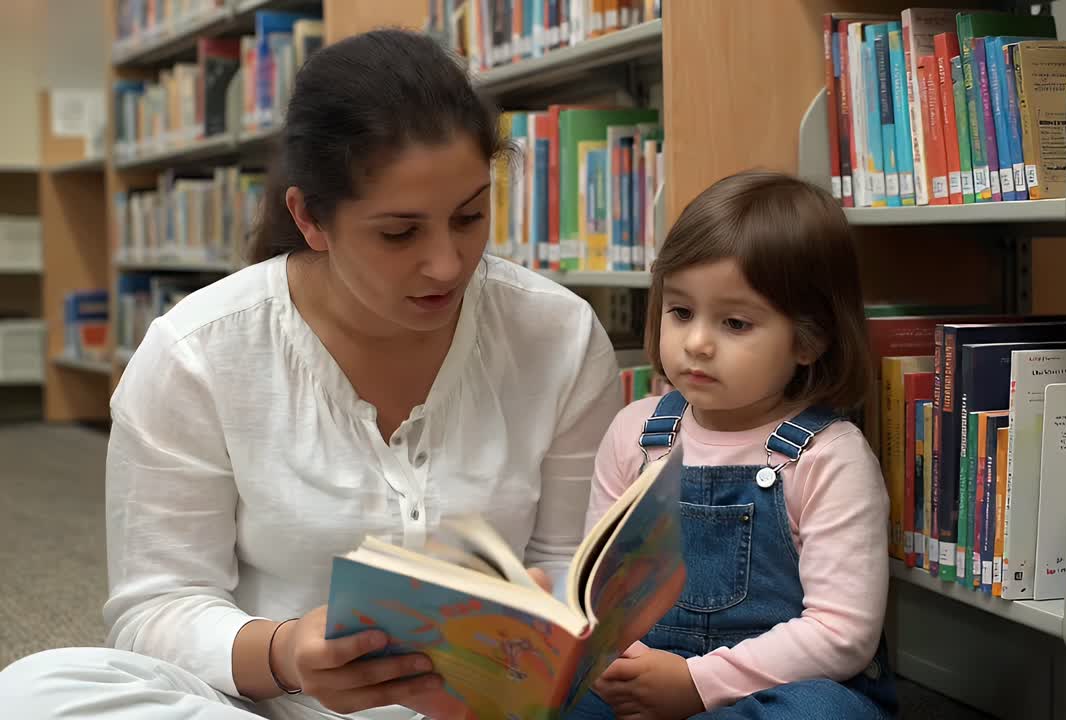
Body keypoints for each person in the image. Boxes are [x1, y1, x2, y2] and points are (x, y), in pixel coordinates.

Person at [0, 29, 622, 720]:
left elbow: (574, 565)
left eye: (470, 216)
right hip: (278, 706)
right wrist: (286, 652)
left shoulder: (559, 335)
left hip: (492, 711)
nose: (448, 263)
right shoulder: (197, 353)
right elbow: (156, 608)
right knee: (36, 691)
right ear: (310, 218)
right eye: (399, 233)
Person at [568, 170, 898, 720]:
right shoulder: (635, 432)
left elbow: (842, 634)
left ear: (809, 339)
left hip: (774, 689)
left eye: (735, 323)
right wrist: (623, 665)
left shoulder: (828, 457)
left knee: (826, 714)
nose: (696, 342)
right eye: (680, 312)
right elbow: (599, 590)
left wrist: (695, 683)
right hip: (644, 676)